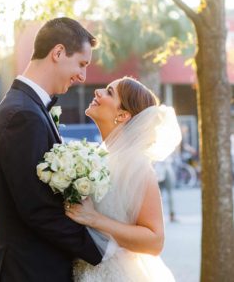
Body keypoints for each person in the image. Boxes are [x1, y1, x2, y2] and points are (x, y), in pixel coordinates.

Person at [0, 17, 109, 282]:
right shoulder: (22, 115)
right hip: (30, 271)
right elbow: (37, 209)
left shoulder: (28, 107)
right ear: (58, 52)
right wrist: (101, 250)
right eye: (81, 64)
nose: (83, 76)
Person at [65, 76, 182, 282]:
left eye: (109, 92)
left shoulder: (138, 167)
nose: (97, 92)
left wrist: (95, 219)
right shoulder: (95, 158)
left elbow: (155, 241)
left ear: (123, 115)